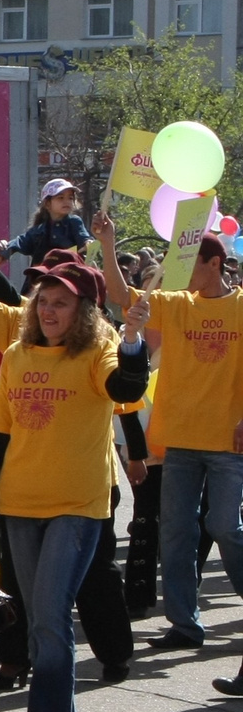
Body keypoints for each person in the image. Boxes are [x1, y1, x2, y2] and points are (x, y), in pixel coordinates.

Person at [0, 262, 151, 712]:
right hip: (19, 505)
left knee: (48, 617)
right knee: (41, 617)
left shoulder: (98, 351)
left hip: (77, 507)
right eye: (43, 300)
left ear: (84, 311)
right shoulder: (18, 355)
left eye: (61, 302)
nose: (48, 310)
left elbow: (126, 389)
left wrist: (133, 341)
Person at [90, 212, 243, 657]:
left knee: (224, 525)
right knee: (174, 534)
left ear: (214, 263)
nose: (183, 273)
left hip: (229, 443)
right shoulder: (177, 302)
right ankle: (184, 624)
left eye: (193, 263)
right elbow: (120, 295)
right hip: (179, 440)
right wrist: (108, 239)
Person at [0, 179, 90, 267]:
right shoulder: (39, 230)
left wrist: (88, 243)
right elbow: (20, 242)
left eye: (70, 198)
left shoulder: (74, 222)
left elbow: (83, 238)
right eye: (60, 198)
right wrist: (4, 249)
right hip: (41, 280)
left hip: (68, 278)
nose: (67, 201)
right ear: (48, 204)